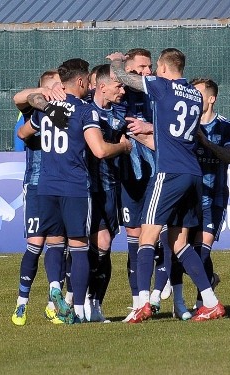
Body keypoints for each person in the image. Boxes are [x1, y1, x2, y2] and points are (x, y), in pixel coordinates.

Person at [109, 48, 226, 322]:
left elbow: (126, 78)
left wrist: (116, 61)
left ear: (163, 67)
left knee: (146, 237)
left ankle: (141, 305)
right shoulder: (196, 95)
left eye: (155, 67)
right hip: (192, 174)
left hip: (169, 172)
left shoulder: (162, 87)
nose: (151, 72)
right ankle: (211, 302)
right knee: (179, 243)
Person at [18, 58, 131, 323]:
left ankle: (55, 289)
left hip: (46, 187)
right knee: (80, 247)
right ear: (81, 82)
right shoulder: (84, 110)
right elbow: (100, 150)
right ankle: (78, 309)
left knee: (55, 244)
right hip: (75, 187)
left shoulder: (46, 108)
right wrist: (123, 147)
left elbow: (23, 134)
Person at [168, 77, 230, 319]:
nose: (194, 99)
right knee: (179, 250)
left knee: (201, 253)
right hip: (188, 197)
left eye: (199, 94)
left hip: (214, 198)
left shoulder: (225, 126)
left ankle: (202, 302)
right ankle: (190, 297)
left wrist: (205, 142)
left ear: (211, 98)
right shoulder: (184, 124)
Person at [11, 70, 66, 325]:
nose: (59, 89)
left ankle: (53, 305)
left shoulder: (67, 110)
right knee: (35, 244)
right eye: (54, 85)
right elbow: (17, 98)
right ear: (43, 88)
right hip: (35, 185)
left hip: (59, 186)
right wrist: (42, 95)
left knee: (58, 244)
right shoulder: (32, 111)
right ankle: (22, 303)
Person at [83, 64, 127, 322]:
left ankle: (95, 302)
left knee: (105, 245)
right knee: (82, 246)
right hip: (84, 188)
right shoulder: (84, 110)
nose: (122, 89)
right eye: (118, 85)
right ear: (101, 87)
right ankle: (73, 300)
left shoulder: (120, 115)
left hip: (110, 188)